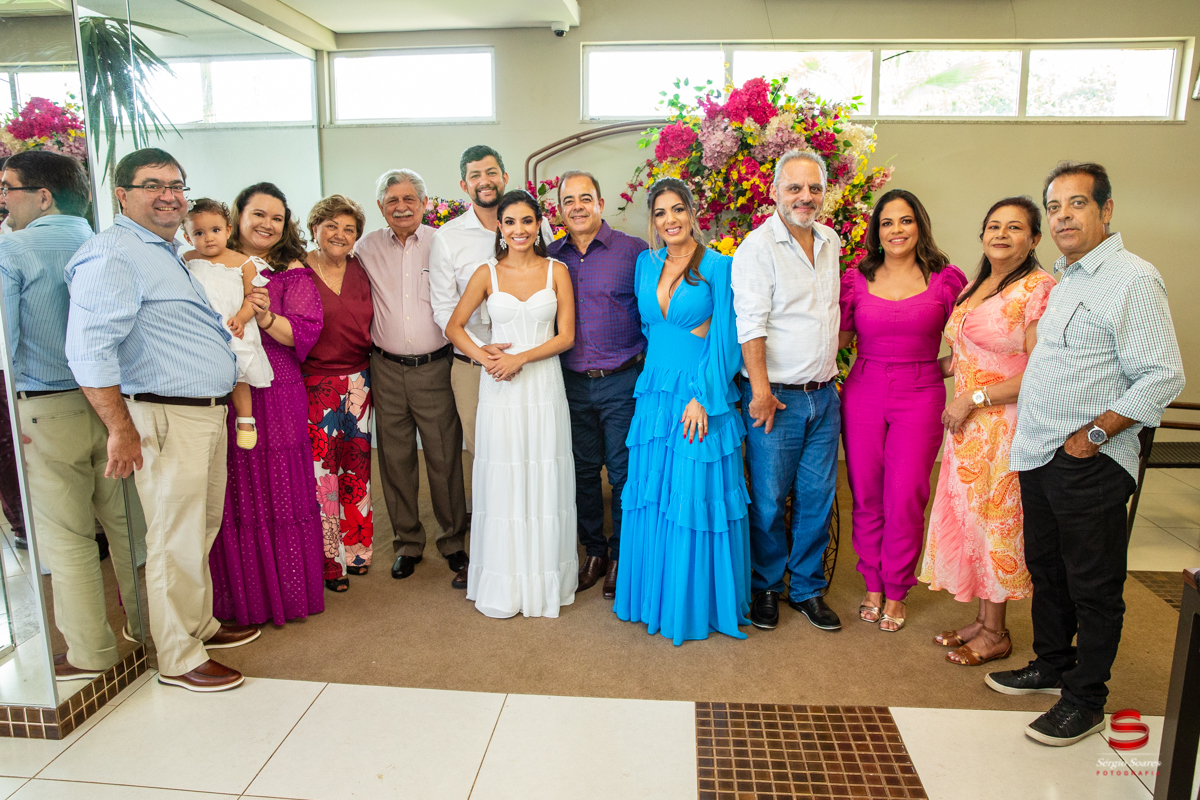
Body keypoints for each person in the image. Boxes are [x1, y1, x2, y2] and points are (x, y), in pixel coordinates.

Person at [989, 162, 1184, 747]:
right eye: (1054, 207)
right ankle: (1052, 664)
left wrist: (1093, 436)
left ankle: (1086, 699)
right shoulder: (1067, 278)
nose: (1063, 217)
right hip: (1039, 454)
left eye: (1077, 204)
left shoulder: (1133, 278)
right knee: (1049, 571)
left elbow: (1162, 375)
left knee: (1093, 584)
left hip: (1089, 460)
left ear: (1106, 210)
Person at [65, 148, 260, 692]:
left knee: (198, 528)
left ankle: (197, 626)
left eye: (176, 185)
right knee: (174, 538)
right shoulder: (114, 254)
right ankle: (177, 655)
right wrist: (120, 429)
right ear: (121, 195)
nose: (169, 196)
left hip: (202, 413)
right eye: (153, 185)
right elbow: (88, 350)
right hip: (166, 415)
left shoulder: (163, 251)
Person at [0, 149, 138, 680]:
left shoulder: (11, 251)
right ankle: (148, 631)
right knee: (130, 530)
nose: (4, 201)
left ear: (42, 196)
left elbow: (4, 346)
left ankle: (91, 654)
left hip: (46, 410)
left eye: (8, 188)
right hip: (114, 405)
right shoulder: (107, 244)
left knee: (68, 539)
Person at [919, 197, 1056, 665]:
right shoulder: (977, 285)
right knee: (973, 520)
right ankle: (982, 620)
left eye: (1014, 227)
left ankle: (996, 633)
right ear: (982, 236)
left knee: (998, 523)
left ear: (1034, 239)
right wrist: (905, 366)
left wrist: (973, 399)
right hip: (968, 429)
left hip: (1005, 425)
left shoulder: (1038, 289)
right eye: (994, 226)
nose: (1001, 234)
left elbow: (1040, 371)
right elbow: (963, 356)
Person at [614, 177, 750, 645]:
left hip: (699, 393)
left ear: (693, 213)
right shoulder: (645, 263)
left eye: (678, 210)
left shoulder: (719, 266)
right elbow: (650, 329)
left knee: (693, 493)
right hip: (655, 392)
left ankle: (693, 605)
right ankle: (652, 596)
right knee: (655, 493)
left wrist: (703, 396)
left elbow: (727, 339)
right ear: (652, 221)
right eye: (660, 213)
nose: (669, 220)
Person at [445, 190, 578, 618]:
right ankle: (504, 581)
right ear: (500, 228)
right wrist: (485, 356)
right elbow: (454, 327)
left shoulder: (557, 271)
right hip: (500, 390)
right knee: (505, 477)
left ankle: (543, 579)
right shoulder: (487, 273)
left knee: (543, 473)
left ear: (538, 224)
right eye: (510, 222)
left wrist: (521, 358)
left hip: (542, 387)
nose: (519, 230)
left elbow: (566, 336)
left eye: (526, 221)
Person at [839, 189, 967, 633]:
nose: (897, 230)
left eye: (906, 220)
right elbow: (836, 341)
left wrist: (937, 368)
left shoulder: (946, 279)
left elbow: (972, 341)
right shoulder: (856, 279)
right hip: (864, 389)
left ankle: (896, 588)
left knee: (907, 494)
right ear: (876, 230)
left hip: (920, 393)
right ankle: (872, 584)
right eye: (887, 222)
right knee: (866, 493)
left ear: (920, 225)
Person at [429, 145, 554, 590]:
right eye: (475, 175)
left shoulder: (537, 227)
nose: (484, 180)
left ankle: (536, 547)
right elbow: (445, 312)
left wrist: (523, 355)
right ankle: (491, 552)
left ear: (503, 176)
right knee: (489, 459)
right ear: (464, 184)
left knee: (535, 456)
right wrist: (487, 355)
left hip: (537, 367)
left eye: (491, 172)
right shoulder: (448, 238)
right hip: (475, 366)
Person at [731, 150, 843, 633]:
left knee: (817, 496)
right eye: (794, 188)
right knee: (770, 499)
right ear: (775, 191)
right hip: (776, 397)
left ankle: (807, 588)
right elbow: (751, 324)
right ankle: (766, 585)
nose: (805, 197)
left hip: (824, 394)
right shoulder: (757, 248)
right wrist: (759, 391)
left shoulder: (830, 240)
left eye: (814, 188)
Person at [210, 182, 326, 624]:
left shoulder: (290, 271)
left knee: (279, 486)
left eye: (277, 218)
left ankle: (288, 593)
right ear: (238, 215)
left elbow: (303, 333)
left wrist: (263, 315)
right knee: (232, 486)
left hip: (278, 388)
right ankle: (239, 598)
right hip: (224, 387)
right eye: (258, 214)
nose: (267, 224)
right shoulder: (206, 262)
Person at [357, 170, 468, 585]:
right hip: (384, 368)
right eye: (392, 200)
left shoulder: (442, 243)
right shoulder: (365, 248)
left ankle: (453, 540)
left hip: (435, 366)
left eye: (409, 199)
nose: (401, 207)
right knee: (395, 459)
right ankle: (407, 542)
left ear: (424, 203)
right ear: (380, 206)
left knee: (443, 456)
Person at [547, 170, 648, 598]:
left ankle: (622, 554)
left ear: (600, 204)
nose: (577, 207)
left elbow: (654, 311)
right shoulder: (551, 257)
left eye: (585, 198)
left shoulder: (633, 251)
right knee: (583, 471)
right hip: (570, 383)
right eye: (568, 200)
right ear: (560, 210)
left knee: (623, 473)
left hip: (622, 381)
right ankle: (594, 551)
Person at [302, 195, 374, 591]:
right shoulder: (296, 269)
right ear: (315, 228)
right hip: (316, 383)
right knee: (323, 477)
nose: (339, 234)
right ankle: (331, 563)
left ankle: (357, 551)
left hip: (360, 381)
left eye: (349, 229)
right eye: (331, 225)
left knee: (357, 470)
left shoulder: (362, 268)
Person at [182, 198, 274, 449]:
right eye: (199, 233)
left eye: (215, 230)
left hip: (233, 326)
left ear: (228, 230)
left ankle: (245, 421)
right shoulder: (186, 260)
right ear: (188, 238)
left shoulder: (243, 262)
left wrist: (242, 318)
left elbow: (253, 298)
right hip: (201, 329)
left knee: (239, 373)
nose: (209, 238)